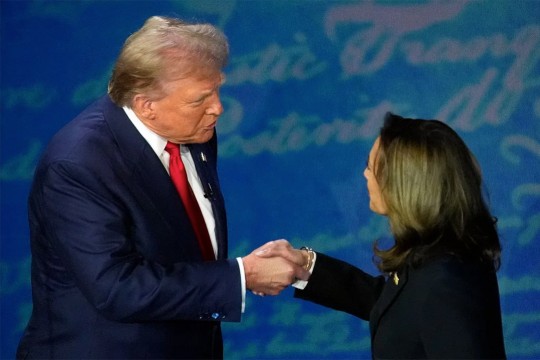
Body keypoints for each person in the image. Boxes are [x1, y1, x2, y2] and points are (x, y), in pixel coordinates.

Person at [16, 16, 308, 359]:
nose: (218, 108)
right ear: (146, 105)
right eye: (200, 99)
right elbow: (116, 288)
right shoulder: (77, 165)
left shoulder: (194, 131)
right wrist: (241, 277)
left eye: (217, 89)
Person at [258, 113, 506, 359]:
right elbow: (396, 306)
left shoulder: (446, 282)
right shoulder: (437, 253)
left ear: (404, 182)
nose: (366, 174)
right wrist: (306, 266)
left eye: (370, 166)